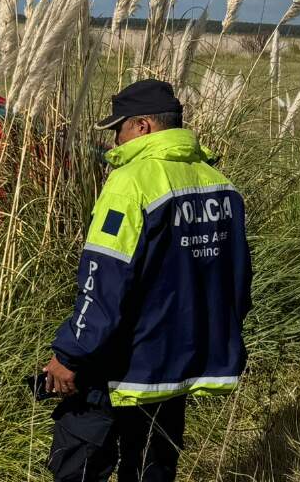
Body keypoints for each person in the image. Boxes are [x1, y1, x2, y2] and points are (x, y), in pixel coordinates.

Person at [42, 79, 252, 481]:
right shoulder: (221, 184)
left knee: (79, 461)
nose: (114, 140)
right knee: (154, 467)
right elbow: (237, 282)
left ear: (143, 126)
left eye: (117, 128)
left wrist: (71, 353)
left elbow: (104, 278)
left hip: (123, 361)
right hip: (178, 365)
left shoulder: (131, 182)